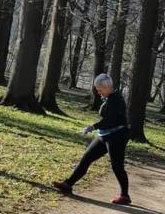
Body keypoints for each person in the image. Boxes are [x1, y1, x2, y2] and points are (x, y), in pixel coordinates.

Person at [52, 73, 131, 204]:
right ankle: (68, 184)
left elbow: (110, 120)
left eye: (100, 90)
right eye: (97, 90)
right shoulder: (108, 98)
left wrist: (93, 126)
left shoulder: (117, 100)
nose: (99, 93)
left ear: (107, 87)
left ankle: (125, 195)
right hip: (104, 135)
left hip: (117, 135)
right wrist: (96, 127)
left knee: (117, 166)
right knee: (86, 158)